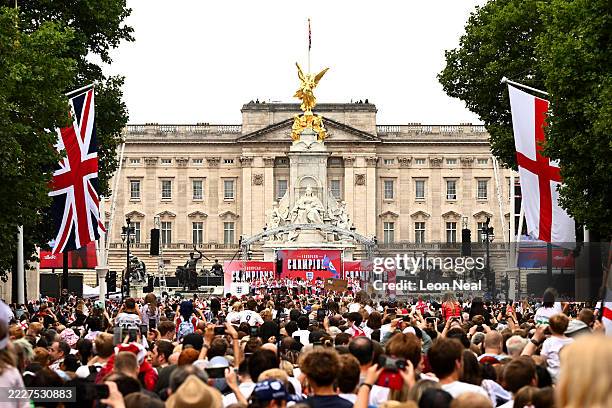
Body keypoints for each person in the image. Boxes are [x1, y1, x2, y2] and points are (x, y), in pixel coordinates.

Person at [540, 313, 573, 381]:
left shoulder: (548, 342)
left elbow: (543, 359)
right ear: (566, 327)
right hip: (569, 375)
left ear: (550, 328)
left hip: (553, 375)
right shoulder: (573, 341)